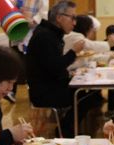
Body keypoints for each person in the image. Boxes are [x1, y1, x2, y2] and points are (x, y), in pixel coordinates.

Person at [25, 1, 86, 137]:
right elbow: (55, 68)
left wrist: (69, 73)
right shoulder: (45, 36)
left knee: (88, 93)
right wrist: (73, 52)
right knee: (85, 96)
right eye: (72, 18)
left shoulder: (51, 34)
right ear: (59, 17)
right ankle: (64, 131)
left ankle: (68, 129)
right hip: (45, 92)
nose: (74, 23)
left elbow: (52, 66)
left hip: (51, 85)